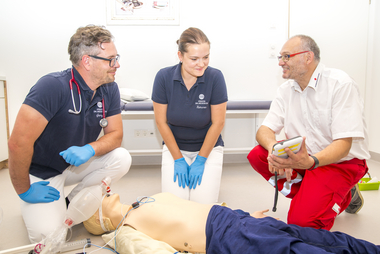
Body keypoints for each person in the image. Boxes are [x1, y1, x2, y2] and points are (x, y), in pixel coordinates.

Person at [8, 25, 132, 243]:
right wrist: (23, 189)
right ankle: (34, 203)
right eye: (111, 59)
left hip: (77, 163)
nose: (117, 65)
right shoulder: (52, 86)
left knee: (122, 158)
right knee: (50, 238)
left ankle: (70, 203)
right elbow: (18, 143)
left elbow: (115, 135)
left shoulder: (109, 88)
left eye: (116, 58)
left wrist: (90, 148)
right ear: (87, 61)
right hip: (44, 172)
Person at [247, 35, 370, 231]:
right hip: (304, 160)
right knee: (258, 155)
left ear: (308, 57)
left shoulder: (340, 84)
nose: (280, 62)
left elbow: (344, 144)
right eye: (280, 57)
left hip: (340, 163)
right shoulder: (285, 90)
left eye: (286, 56)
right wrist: (275, 150)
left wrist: (311, 162)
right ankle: (325, 195)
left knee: (302, 224)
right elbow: (264, 130)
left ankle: (338, 195)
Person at [83, 192, 380, 254]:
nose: (104, 190)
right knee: (296, 251)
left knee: (318, 237)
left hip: (234, 219)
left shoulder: (148, 198)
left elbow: (199, 207)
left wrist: (248, 215)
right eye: (99, 198)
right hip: (222, 239)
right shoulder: (126, 231)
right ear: (101, 219)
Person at [151, 27, 228, 204]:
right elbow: (161, 122)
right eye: (194, 59)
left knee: (202, 207)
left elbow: (218, 123)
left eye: (206, 57)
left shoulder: (215, 77)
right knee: (176, 206)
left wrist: (201, 160)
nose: (201, 64)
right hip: (175, 149)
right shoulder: (163, 77)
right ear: (180, 56)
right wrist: (178, 159)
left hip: (208, 150)